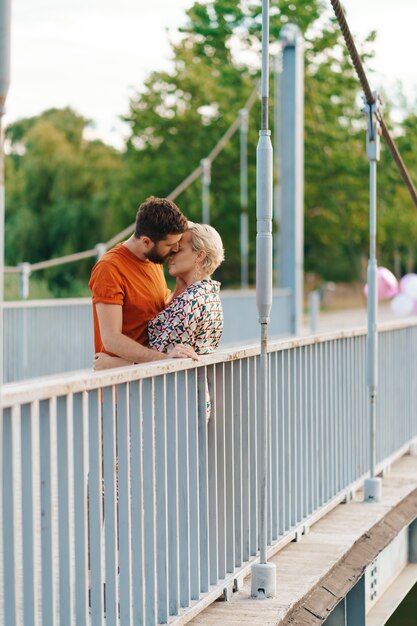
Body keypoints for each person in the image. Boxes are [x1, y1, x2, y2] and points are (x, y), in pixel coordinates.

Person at [94, 221, 225, 370]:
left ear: (200, 255)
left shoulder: (189, 302)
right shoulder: (210, 296)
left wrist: (114, 364)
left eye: (178, 250)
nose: (170, 255)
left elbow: (164, 362)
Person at [89, 196, 198, 363]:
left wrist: (180, 288)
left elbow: (155, 314)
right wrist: (163, 360)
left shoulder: (154, 260)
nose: (176, 249)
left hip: (146, 376)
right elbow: (111, 339)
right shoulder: (109, 268)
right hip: (121, 384)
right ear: (146, 242)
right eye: (170, 245)